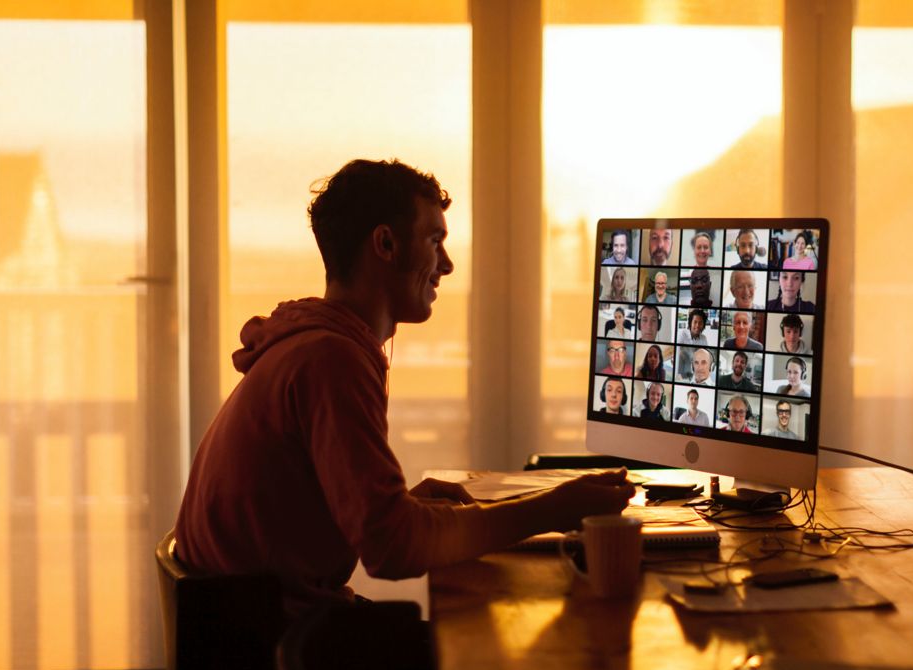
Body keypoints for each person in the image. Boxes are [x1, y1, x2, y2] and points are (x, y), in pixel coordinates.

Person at [174, 159, 633, 616]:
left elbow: (328, 519)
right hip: (278, 655)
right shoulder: (332, 361)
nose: (447, 265)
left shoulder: (312, 345)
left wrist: (405, 506)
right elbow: (391, 548)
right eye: (435, 241)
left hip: (247, 633)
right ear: (386, 244)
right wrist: (553, 510)